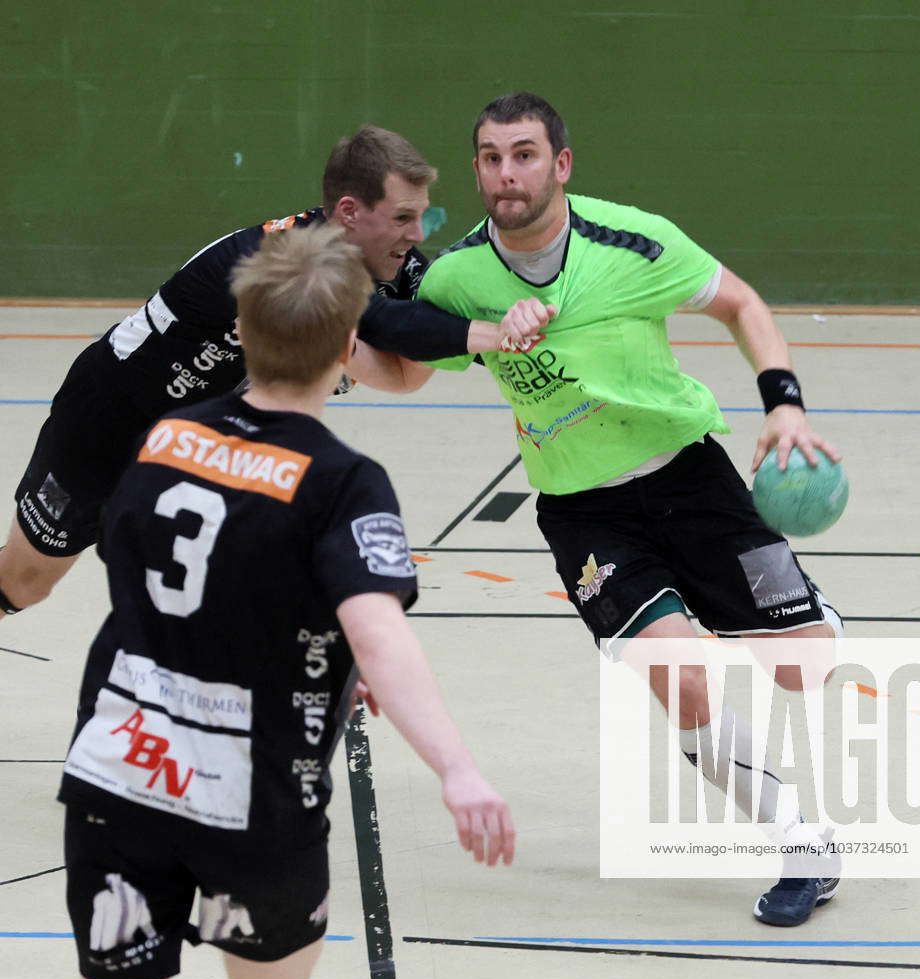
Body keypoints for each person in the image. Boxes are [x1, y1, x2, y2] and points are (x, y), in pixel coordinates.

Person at [408, 92, 845, 927]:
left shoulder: (635, 242)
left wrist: (783, 403)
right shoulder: (457, 278)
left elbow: (742, 304)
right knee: (680, 679)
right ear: (476, 170)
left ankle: (788, 615)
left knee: (804, 668)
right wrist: (337, 348)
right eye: (493, 156)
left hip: (690, 481)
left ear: (561, 164)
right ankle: (804, 844)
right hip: (584, 513)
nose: (509, 172)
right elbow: (409, 360)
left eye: (526, 154)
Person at [59, 223, 515, 979]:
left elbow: (158, 591)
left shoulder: (165, 438)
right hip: (255, 798)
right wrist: (458, 770)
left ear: (242, 332)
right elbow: (380, 639)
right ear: (347, 353)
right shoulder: (341, 480)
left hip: (118, 775)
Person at [0, 126, 527, 622]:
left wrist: (515, 319)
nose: (416, 235)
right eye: (401, 218)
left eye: (422, 219)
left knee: (250, 574)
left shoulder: (390, 263)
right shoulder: (278, 260)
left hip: (209, 440)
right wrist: (493, 334)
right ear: (349, 212)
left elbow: (406, 372)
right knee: (25, 584)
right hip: (107, 423)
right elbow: (387, 324)